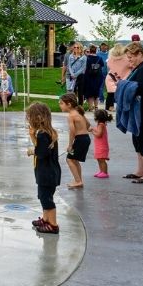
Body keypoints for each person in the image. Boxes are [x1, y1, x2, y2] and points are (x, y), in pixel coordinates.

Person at [113, 41, 143, 183]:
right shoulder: (139, 68)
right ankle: (140, 171)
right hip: (139, 112)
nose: (129, 60)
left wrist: (122, 85)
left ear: (140, 54)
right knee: (137, 141)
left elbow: (141, 88)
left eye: (131, 57)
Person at [25, 102, 62, 234]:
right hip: (49, 172)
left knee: (46, 199)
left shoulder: (43, 135)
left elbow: (41, 153)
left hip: (47, 173)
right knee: (44, 196)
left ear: (38, 118)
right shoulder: (47, 132)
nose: (28, 120)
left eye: (30, 117)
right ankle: (46, 219)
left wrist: (32, 151)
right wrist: (32, 136)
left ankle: (53, 225)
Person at [59, 93, 91, 189]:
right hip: (85, 138)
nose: (60, 105)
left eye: (61, 103)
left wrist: (70, 145)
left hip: (80, 139)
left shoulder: (71, 116)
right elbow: (88, 124)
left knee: (69, 159)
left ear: (69, 104)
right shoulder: (78, 113)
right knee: (75, 160)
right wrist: (83, 129)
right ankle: (79, 180)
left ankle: (78, 181)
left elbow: (72, 131)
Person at [105, 43, 130, 111]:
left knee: (110, 93)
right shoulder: (126, 58)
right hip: (123, 78)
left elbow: (108, 67)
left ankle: (109, 107)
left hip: (111, 77)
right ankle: (122, 106)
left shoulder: (110, 59)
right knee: (122, 93)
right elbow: (130, 67)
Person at [83, 44, 105, 110]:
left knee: (90, 93)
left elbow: (85, 67)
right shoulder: (99, 58)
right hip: (98, 77)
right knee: (96, 92)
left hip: (89, 77)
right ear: (96, 50)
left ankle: (90, 107)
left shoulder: (87, 58)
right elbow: (102, 65)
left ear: (90, 50)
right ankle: (96, 106)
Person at [91, 109, 112, 179]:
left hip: (101, 146)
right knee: (99, 159)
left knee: (102, 160)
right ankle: (101, 171)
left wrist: (92, 132)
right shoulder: (101, 124)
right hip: (100, 145)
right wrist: (93, 129)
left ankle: (105, 172)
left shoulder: (101, 125)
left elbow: (99, 135)